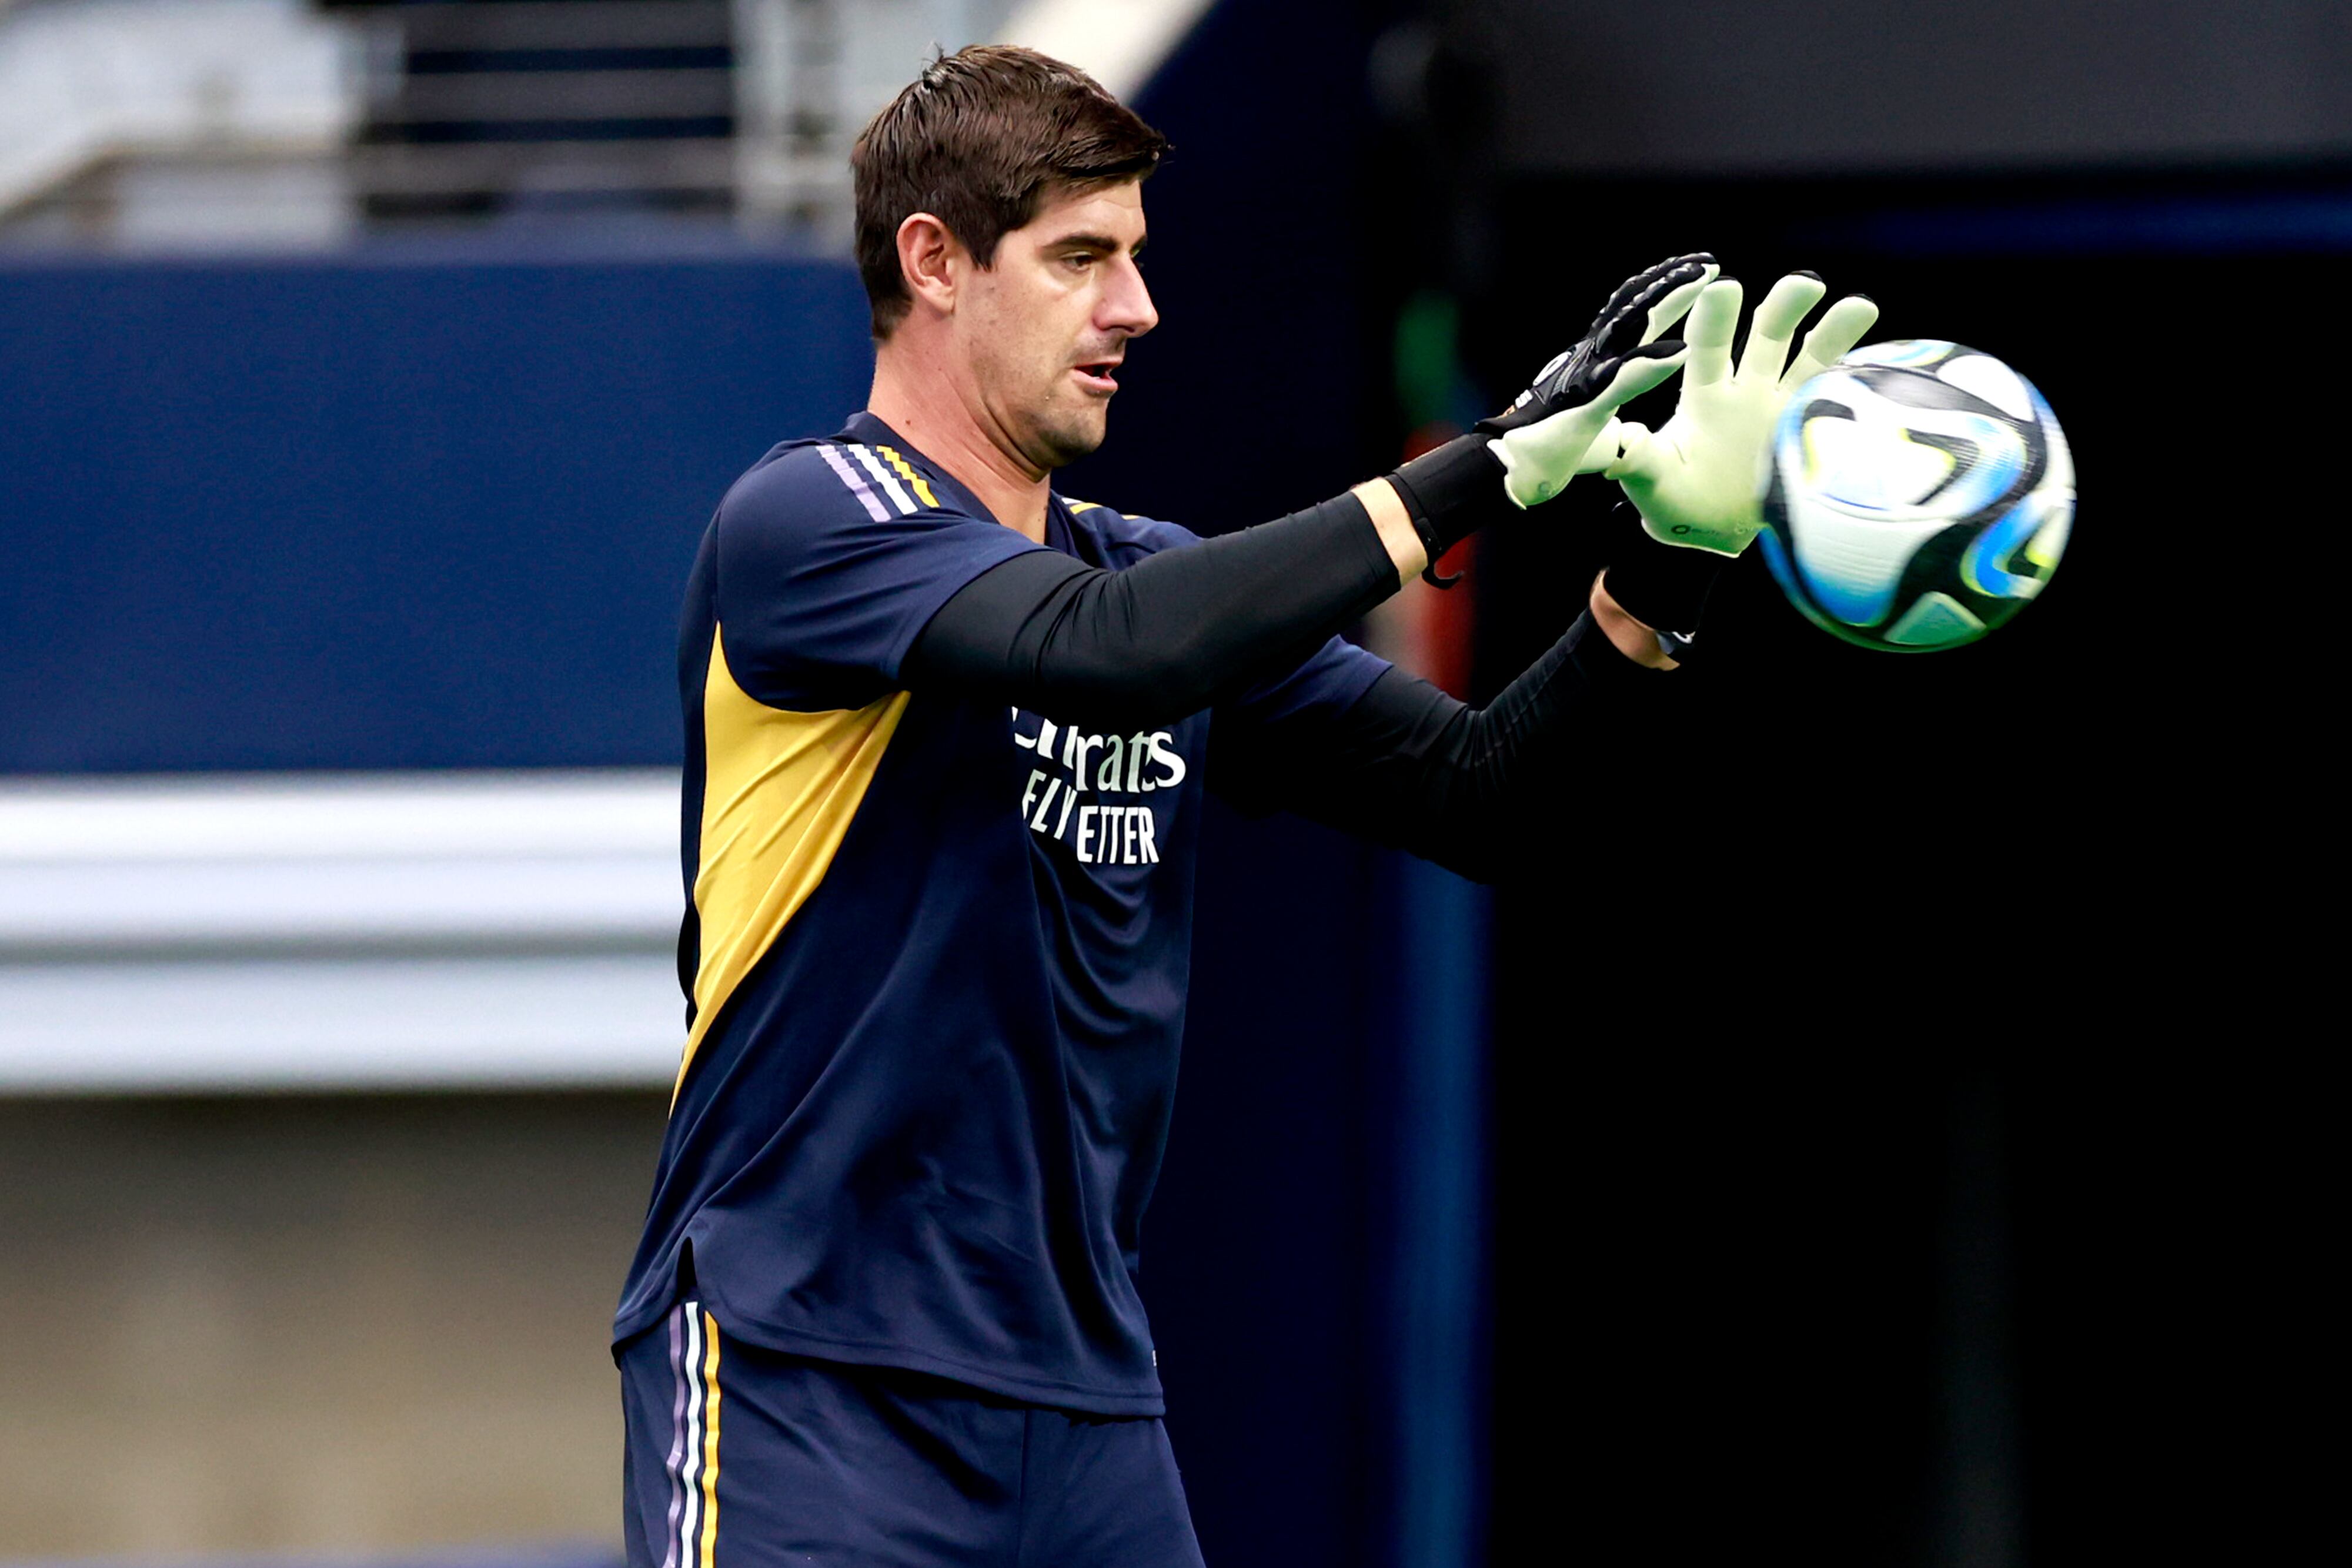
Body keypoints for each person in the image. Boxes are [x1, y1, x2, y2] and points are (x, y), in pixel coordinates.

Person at [613, 44, 1876, 1568]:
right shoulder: (814, 516)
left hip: (1083, 1408)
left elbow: (1487, 798)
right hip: (809, 1374)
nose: (1135, 307)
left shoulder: (1146, 570)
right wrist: (1489, 469)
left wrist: (1667, 573)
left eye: (1135, 259)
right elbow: (1119, 658)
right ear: (933, 263)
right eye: (1082, 259)